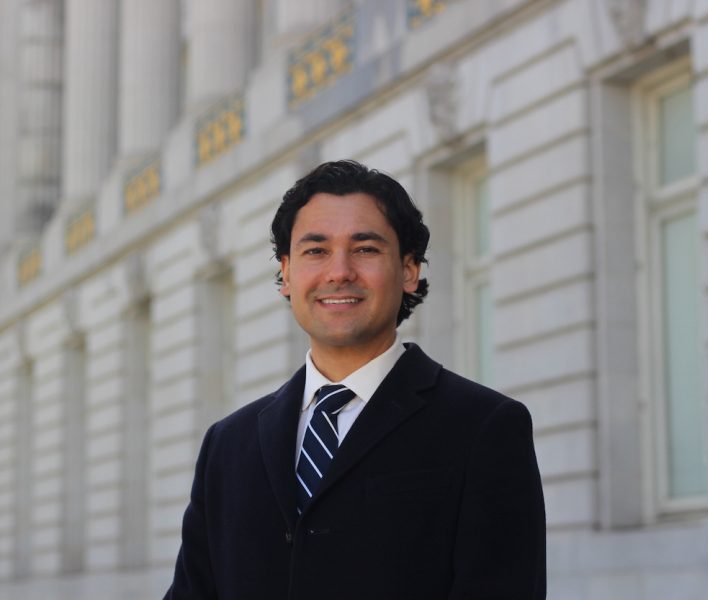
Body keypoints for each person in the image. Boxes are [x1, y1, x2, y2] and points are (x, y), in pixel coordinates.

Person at [164, 160, 546, 599]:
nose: (339, 271)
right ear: (286, 273)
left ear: (408, 270)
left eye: (365, 249)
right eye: (316, 250)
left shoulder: (485, 427)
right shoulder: (227, 445)